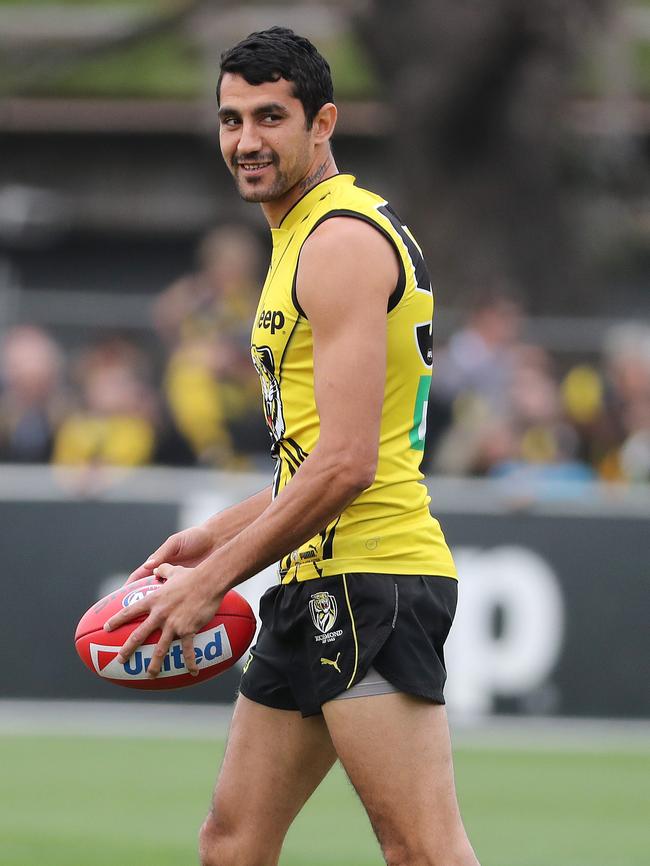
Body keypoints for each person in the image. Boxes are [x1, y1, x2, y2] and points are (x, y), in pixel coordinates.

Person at [105, 27, 480, 866]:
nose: (245, 141)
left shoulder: (338, 241)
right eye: (231, 119)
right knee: (232, 843)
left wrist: (214, 577)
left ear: (323, 122)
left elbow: (349, 465)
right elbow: (320, 460)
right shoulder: (302, 236)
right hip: (318, 572)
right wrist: (214, 534)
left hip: (369, 577)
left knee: (423, 851)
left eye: (270, 117)